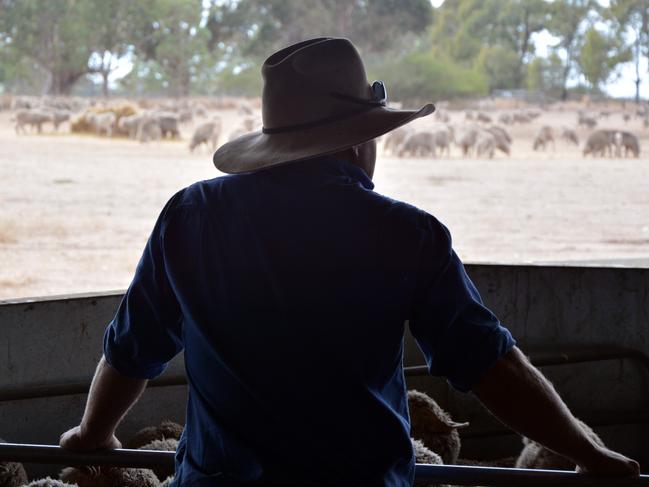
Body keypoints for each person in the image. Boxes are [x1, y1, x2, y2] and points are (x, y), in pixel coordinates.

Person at [59, 38, 640, 486]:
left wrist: (94, 433)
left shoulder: (190, 216)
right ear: (363, 138)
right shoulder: (408, 235)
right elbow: (493, 367)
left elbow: (132, 347)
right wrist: (588, 454)